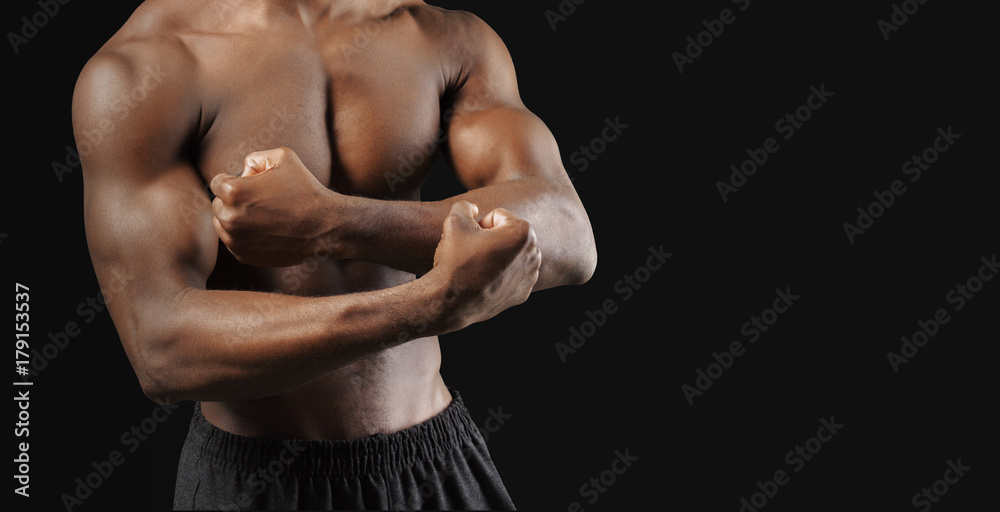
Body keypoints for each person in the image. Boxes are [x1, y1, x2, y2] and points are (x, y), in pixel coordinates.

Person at [73, 0, 597, 509]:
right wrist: (429, 305)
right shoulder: (147, 65)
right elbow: (164, 350)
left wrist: (332, 223)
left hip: (439, 463)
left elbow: (569, 236)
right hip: (262, 483)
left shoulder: (445, 38)